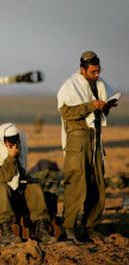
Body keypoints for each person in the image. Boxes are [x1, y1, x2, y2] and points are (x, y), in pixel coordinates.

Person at [57, 51, 118, 242]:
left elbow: (100, 108)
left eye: (98, 71)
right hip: (78, 140)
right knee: (76, 184)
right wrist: (90, 106)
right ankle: (69, 228)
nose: (96, 75)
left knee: (97, 183)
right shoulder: (70, 85)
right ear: (83, 69)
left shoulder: (100, 83)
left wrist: (107, 106)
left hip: (96, 138)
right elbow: (67, 112)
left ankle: (91, 226)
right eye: (93, 71)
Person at [0, 123, 55, 244]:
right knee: (1, 188)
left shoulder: (20, 143)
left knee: (34, 188)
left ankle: (41, 228)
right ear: (3, 140)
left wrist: (25, 179)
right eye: (9, 142)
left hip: (8, 183)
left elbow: (19, 170)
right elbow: (1, 177)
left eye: (15, 142)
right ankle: (5, 230)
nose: (12, 145)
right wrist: (11, 157)